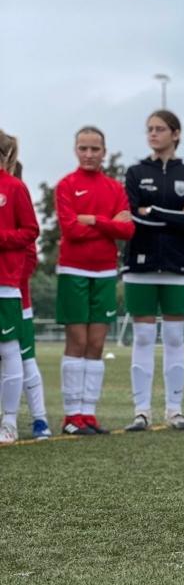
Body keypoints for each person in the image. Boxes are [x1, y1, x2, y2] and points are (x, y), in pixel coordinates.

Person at [123, 111, 184, 432]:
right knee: (142, 336)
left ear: (176, 133)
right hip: (139, 266)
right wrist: (177, 214)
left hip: (178, 267)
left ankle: (175, 411)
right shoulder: (134, 172)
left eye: (159, 129)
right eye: (149, 130)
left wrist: (153, 211)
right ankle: (141, 412)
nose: (153, 134)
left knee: (173, 337)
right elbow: (131, 218)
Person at [54, 127, 134, 436]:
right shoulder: (65, 185)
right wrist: (109, 225)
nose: (89, 154)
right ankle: (71, 416)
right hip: (73, 270)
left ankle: (88, 413)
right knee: (78, 342)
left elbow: (127, 232)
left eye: (95, 149)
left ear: (104, 151)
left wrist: (93, 220)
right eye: (83, 148)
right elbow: (70, 230)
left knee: (97, 344)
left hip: (104, 272)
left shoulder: (114, 188)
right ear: (76, 150)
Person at [0, 131, 39, 445]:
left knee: (9, 349)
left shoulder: (14, 187)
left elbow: (31, 231)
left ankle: (9, 422)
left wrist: (2, 239)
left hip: (5, 285)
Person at [13, 162, 52, 438]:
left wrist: (10, 279)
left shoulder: (17, 198)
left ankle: (39, 419)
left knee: (25, 359)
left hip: (16, 300)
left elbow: (29, 259)